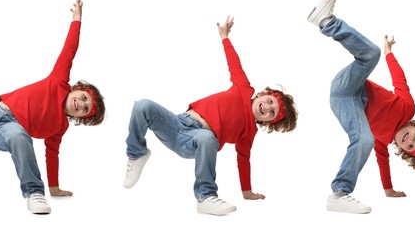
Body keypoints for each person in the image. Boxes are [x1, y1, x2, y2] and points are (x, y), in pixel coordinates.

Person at [0, 0, 106, 215]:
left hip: (11, 131)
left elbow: (52, 154)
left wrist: (54, 188)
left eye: (85, 109)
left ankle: (34, 192)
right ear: (77, 88)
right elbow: (69, 50)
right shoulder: (58, 81)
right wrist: (77, 20)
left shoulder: (60, 126)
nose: (81, 104)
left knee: (18, 135)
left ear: (80, 117)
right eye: (83, 97)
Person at [123, 15, 298, 216]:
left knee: (207, 137)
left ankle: (206, 196)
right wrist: (225, 37)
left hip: (195, 141)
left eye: (272, 112)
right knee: (142, 106)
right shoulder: (243, 88)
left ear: (269, 122)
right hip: (177, 123)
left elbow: (243, 160)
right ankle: (137, 153)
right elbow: (234, 64)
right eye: (269, 101)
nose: (266, 107)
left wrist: (247, 192)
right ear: (263, 94)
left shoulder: (249, 132)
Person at [307, 0, 415, 214]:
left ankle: (338, 194)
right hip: (350, 84)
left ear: (402, 149)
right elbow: (400, 81)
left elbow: (382, 163)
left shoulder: (382, 141)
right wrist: (389, 54)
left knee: (364, 139)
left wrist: (388, 190)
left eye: (409, 146)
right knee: (372, 53)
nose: (409, 140)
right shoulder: (408, 108)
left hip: (345, 103)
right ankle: (327, 22)